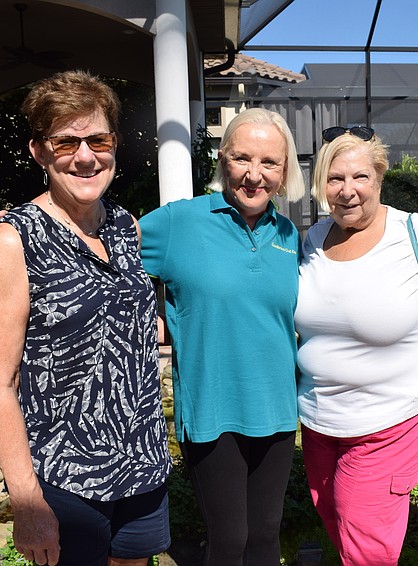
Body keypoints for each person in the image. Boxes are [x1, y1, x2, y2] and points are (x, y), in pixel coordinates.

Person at [0, 70, 172, 566]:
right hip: (64, 478)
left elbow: (130, 330)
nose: (85, 156)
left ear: (115, 145)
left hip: (142, 465)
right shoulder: (14, 241)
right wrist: (26, 501)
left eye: (97, 139)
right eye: (66, 143)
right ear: (39, 152)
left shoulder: (126, 227)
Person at [294, 126, 418, 565]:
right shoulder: (313, 239)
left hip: (388, 421)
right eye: (334, 179)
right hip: (319, 421)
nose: (347, 191)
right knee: (335, 523)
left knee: (366, 550)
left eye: (359, 177)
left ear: (380, 176)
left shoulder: (415, 234)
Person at [137, 108, 306, 566]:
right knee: (230, 538)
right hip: (213, 409)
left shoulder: (289, 234)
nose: (254, 175)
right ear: (222, 160)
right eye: (241, 158)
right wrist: (27, 233)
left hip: (276, 408)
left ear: (285, 169)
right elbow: (99, 240)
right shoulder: (178, 224)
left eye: (269, 162)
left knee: (267, 534)